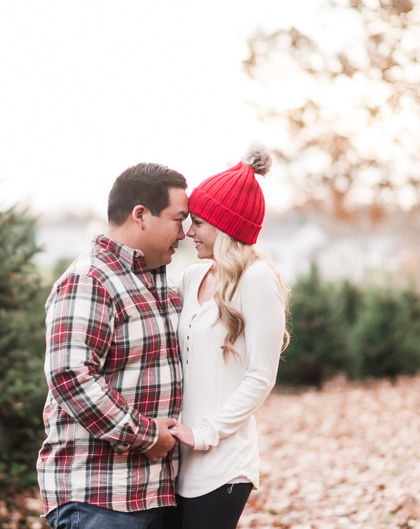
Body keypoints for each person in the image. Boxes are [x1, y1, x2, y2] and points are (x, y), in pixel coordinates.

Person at [37, 163, 190, 529]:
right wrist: (146, 435)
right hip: (100, 499)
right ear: (141, 215)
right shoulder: (91, 279)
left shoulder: (159, 287)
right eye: (177, 219)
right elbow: (70, 375)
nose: (183, 234)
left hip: (155, 493)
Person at [165, 144, 290, 529]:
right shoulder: (191, 277)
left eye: (198, 222)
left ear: (225, 226)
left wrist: (205, 432)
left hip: (223, 463)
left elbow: (260, 377)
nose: (189, 232)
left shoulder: (257, 280)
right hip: (180, 460)